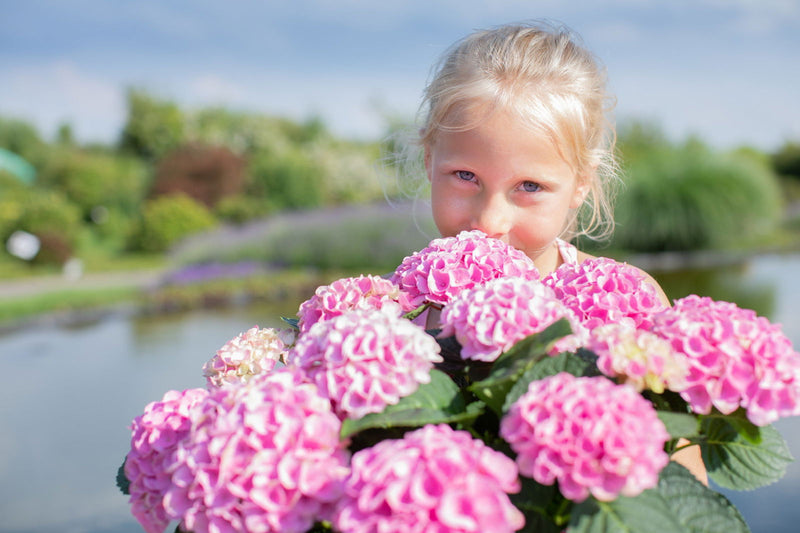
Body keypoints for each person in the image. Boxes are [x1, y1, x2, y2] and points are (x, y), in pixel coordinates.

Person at [406, 21, 707, 484]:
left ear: (580, 184)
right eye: (465, 175)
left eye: (529, 186)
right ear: (429, 158)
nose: (490, 221)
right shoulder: (396, 314)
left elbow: (685, 480)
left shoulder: (628, 305)